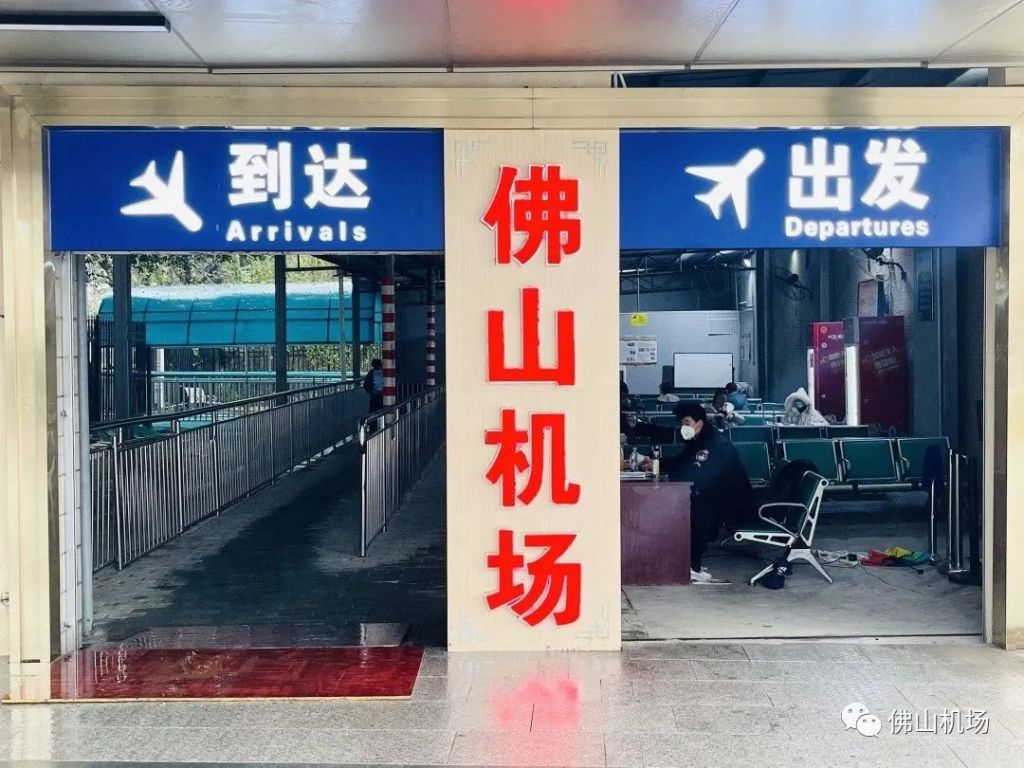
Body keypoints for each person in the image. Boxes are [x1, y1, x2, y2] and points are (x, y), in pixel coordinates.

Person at [643, 401, 755, 584]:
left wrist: (663, 467)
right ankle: (690, 563)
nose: (683, 427)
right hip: (717, 492)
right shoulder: (700, 437)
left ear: (700, 423)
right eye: (682, 423)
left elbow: (692, 468)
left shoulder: (713, 442)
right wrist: (657, 463)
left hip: (732, 498)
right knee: (695, 508)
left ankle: (693, 568)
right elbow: (683, 460)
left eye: (687, 422)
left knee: (699, 513)